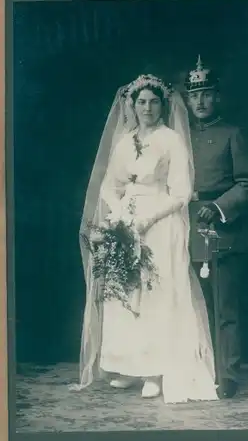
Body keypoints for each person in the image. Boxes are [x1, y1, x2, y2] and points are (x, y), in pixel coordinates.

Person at [71, 73, 218, 404]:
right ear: (132, 106)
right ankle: (127, 367)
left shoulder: (171, 140)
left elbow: (180, 193)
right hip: (127, 219)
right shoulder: (125, 142)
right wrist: (121, 214)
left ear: (162, 106)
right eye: (141, 102)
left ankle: (155, 371)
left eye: (153, 102)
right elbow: (110, 184)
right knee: (125, 291)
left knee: (155, 294)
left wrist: (147, 218)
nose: (147, 108)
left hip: (162, 222)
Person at [184, 56, 248, 398]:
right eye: (194, 95)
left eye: (207, 94)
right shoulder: (180, 136)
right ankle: (192, 370)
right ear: (186, 100)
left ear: (217, 97)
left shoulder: (233, 134)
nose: (200, 101)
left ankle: (227, 373)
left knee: (224, 305)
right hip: (183, 225)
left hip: (222, 229)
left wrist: (218, 207)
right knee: (187, 303)